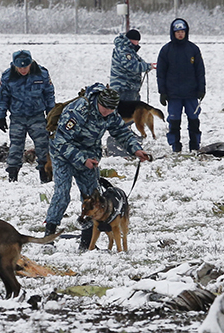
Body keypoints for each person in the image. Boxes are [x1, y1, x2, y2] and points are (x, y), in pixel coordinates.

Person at [43, 84, 152, 250]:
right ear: (98, 102)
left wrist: (136, 149)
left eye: (111, 109)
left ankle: (86, 243)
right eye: (104, 108)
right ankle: (48, 238)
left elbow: (121, 132)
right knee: (62, 193)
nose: (107, 112)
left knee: (92, 196)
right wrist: (81, 159)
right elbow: (60, 141)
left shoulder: (111, 112)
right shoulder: (78, 111)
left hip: (89, 154)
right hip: (63, 154)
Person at [0, 50, 56, 183]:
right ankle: (12, 177)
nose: (23, 70)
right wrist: (1, 116)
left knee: (43, 147)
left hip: (37, 116)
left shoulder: (42, 74)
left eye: (25, 67)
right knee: (15, 148)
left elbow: (49, 95)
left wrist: (52, 115)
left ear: (30, 64)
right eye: (20, 67)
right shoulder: (8, 76)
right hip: (17, 117)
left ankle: (45, 177)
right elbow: (2, 98)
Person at [156, 18, 206, 153]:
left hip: (191, 93)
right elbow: (161, 73)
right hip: (173, 94)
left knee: (194, 121)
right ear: (173, 33)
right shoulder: (166, 50)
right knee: (174, 122)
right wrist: (162, 92)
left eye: (182, 31)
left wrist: (201, 89)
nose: (180, 34)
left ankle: (195, 146)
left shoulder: (193, 49)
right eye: (177, 31)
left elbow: (200, 71)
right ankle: (175, 146)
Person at [109, 28, 153, 103]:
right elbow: (132, 66)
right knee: (128, 113)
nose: (138, 44)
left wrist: (147, 65)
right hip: (124, 89)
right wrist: (147, 66)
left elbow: (138, 61)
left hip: (127, 88)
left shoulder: (127, 49)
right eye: (137, 41)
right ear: (132, 40)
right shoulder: (124, 50)